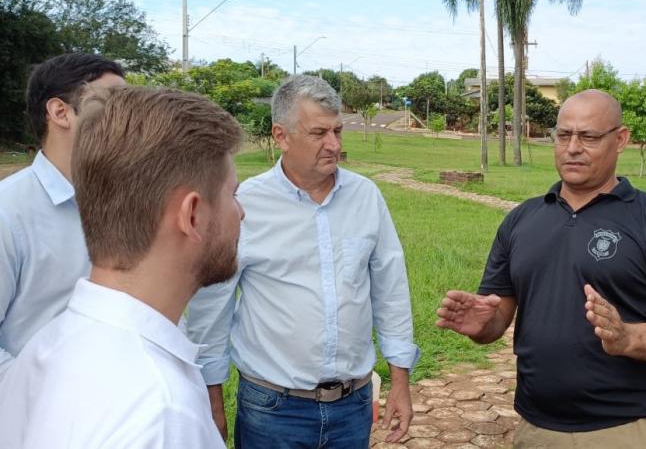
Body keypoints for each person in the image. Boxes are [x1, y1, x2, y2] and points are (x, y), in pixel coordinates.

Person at [437, 89, 646, 448]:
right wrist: (482, 325)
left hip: (630, 427)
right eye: (564, 135)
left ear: (621, 140)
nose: (572, 147)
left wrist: (629, 337)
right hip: (537, 428)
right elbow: (497, 317)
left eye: (589, 137)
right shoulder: (521, 221)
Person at [0, 87, 244, 447]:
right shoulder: (160, 414)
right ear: (192, 214)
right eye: (232, 194)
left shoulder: (45, 348)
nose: (241, 212)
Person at [186, 75, 419, 447]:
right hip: (272, 410)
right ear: (281, 135)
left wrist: (400, 383)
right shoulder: (246, 204)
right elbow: (211, 310)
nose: (334, 145)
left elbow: (391, 291)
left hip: (352, 406)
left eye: (338, 131)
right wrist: (212, 401)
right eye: (318, 133)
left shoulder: (366, 197)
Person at [0, 53, 124, 380]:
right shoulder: (7, 212)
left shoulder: (128, 202)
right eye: (112, 102)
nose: (127, 117)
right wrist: (52, 397)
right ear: (60, 112)